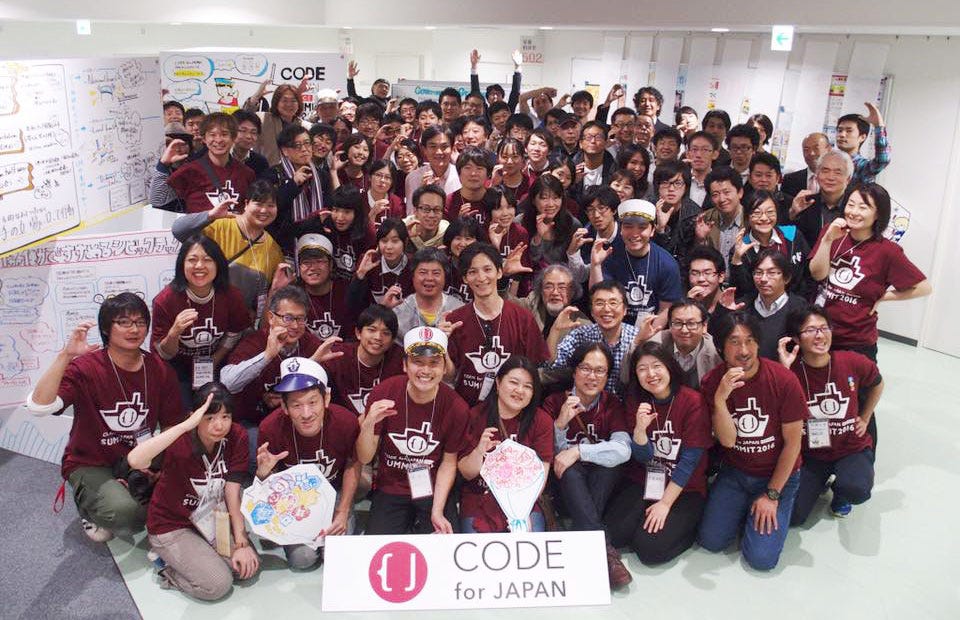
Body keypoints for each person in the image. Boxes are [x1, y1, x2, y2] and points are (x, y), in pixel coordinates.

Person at [25, 293, 183, 542]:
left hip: (137, 455)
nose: (134, 329)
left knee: (186, 482)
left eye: (140, 322)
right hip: (91, 460)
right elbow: (39, 407)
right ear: (107, 329)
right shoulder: (86, 367)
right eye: (124, 322)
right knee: (129, 515)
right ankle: (89, 507)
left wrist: (161, 469)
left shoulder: (159, 370)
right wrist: (65, 356)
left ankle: (131, 489)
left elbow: (173, 425)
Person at [809, 183, 931, 445]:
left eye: (863, 207)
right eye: (851, 204)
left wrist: (884, 296)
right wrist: (828, 239)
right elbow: (817, 273)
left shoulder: (887, 251)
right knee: (821, 398)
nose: (854, 211)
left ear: (879, 214)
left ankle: (861, 457)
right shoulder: (833, 233)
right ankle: (821, 456)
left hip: (856, 338)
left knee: (858, 402)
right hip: (822, 334)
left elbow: (923, 287)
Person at [698, 312, 805, 571]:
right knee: (711, 541)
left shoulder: (784, 380)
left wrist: (771, 495)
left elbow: (793, 445)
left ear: (758, 343)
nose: (743, 350)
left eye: (750, 341)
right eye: (734, 342)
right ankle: (742, 508)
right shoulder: (712, 381)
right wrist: (721, 399)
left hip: (777, 476)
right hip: (736, 472)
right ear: (721, 347)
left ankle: (761, 509)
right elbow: (727, 441)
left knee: (761, 559)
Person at [129, 384, 256, 600]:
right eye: (209, 418)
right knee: (218, 585)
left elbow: (232, 490)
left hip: (213, 518)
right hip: (172, 525)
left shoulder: (237, 436)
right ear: (195, 417)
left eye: (226, 416)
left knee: (244, 568)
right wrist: (184, 426)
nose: (219, 425)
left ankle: (199, 555)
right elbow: (135, 460)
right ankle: (166, 566)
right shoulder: (179, 440)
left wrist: (242, 542)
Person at [606, 341, 712, 565]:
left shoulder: (693, 402)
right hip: (646, 480)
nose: (651, 374)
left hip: (684, 488)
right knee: (614, 535)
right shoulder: (636, 400)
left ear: (669, 367)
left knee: (649, 550)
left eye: (656, 366)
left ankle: (692, 526)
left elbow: (690, 462)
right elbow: (642, 457)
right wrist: (640, 430)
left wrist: (665, 504)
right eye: (642, 369)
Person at [358, 326, 470, 534]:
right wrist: (368, 424)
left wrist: (437, 512)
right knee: (377, 546)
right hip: (391, 486)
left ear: (444, 367)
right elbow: (365, 458)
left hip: (432, 488)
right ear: (404, 365)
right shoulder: (385, 393)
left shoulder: (457, 407)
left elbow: (448, 463)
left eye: (434, 363)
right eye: (417, 362)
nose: (425, 371)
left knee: (443, 544)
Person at [778, 305, 883, 523]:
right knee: (794, 516)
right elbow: (778, 410)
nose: (819, 335)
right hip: (811, 453)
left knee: (857, 489)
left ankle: (840, 490)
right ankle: (819, 482)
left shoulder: (852, 361)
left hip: (849, 447)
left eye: (824, 328)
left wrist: (865, 417)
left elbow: (877, 384)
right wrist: (785, 372)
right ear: (797, 339)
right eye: (810, 330)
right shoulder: (792, 371)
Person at [541, 342, 633, 589]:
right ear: (574, 371)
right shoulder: (553, 402)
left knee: (608, 466)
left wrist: (579, 451)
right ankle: (604, 550)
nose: (592, 376)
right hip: (565, 489)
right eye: (585, 368)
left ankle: (586, 536)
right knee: (569, 471)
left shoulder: (611, 404)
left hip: (600, 487)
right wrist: (560, 424)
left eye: (600, 371)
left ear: (607, 375)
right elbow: (548, 455)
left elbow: (623, 449)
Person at [257, 357, 361, 568]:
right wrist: (264, 474)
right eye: (296, 405)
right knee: (302, 560)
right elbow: (269, 489)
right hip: (295, 500)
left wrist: (342, 512)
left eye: (313, 402)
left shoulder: (346, 422)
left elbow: (353, 464)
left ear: (326, 398)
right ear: (284, 407)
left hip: (334, 491)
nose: (306, 414)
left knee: (338, 555)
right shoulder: (269, 428)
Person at [151, 235, 251, 405]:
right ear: (181, 264)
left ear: (218, 264)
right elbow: (163, 353)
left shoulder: (231, 295)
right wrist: (174, 333)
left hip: (218, 361)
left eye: (207, 260)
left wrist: (214, 360)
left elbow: (235, 332)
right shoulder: (165, 300)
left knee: (219, 409)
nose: (199, 266)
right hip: (178, 368)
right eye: (192, 260)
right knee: (183, 414)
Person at [458, 356, 552, 532]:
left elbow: (542, 473)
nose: (519, 390)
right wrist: (479, 451)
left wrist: (519, 510)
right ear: (498, 383)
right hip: (479, 499)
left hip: (525, 502)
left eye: (527, 386)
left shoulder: (541, 420)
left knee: (529, 550)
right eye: (514, 382)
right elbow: (466, 473)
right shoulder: (475, 416)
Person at [446, 243, 548, 406]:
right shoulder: (455, 320)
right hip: (468, 409)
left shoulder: (523, 318)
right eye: (472, 272)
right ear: (465, 278)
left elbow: (534, 367)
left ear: (499, 272)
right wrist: (441, 341)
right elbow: (449, 377)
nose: (481, 278)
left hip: (513, 410)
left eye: (487, 269)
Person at [220, 286, 332, 430]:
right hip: (253, 422)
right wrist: (267, 356)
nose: (295, 325)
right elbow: (227, 382)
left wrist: (310, 364)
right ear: (271, 318)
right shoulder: (255, 342)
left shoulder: (311, 344)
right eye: (288, 318)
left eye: (300, 318)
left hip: (297, 421)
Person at [172, 179, 284, 318]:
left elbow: (263, 297)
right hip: (199, 313)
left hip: (238, 323)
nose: (264, 210)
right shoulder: (220, 225)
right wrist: (210, 215)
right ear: (246, 204)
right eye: (258, 203)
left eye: (270, 205)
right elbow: (178, 231)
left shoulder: (273, 248)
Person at [589, 199, 682, 325]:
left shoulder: (667, 264)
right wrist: (596, 265)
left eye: (642, 227)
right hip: (613, 325)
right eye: (628, 227)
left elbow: (665, 310)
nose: (635, 234)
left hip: (651, 330)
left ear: (652, 230)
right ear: (621, 229)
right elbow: (598, 297)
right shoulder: (609, 255)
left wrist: (645, 339)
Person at [552, 281, 639, 398]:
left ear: (625, 310)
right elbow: (553, 364)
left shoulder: (637, 336)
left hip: (624, 407)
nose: (606, 309)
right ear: (592, 312)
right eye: (599, 303)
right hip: (587, 404)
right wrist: (555, 330)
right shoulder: (580, 335)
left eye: (613, 303)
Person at [322, 304, 404, 417]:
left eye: (386, 333)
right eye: (372, 330)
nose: (378, 337)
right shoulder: (338, 356)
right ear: (358, 333)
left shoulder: (399, 359)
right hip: (345, 425)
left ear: (392, 340)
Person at [165, 112, 256, 214]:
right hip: (198, 229)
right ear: (204, 139)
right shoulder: (189, 170)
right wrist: (163, 165)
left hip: (233, 229)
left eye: (224, 134)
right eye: (212, 135)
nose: (218, 140)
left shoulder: (247, 174)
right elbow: (160, 200)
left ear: (233, 138)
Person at [729, 190, 812, 299]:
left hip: (795, 306)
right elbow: (741, 292)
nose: (764, 218)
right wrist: (737, 260)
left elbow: (808, 274)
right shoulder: (741, 248)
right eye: (757, 213)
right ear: (747, 217)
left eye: (770, 212)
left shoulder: (792, 235)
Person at [269, 123, 333, 253]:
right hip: (285, 245)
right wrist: (293, 184)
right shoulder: (273, 174)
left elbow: (329, 205)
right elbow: (271, 208)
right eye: (297, 146)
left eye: (307, 143)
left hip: (318, 241)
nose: (305, 149)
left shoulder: (322, 175)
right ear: (285, 150)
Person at [636, 299, 723, 390]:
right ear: (669, 326)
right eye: (677, 323)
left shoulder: (715, 352)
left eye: (691, 323)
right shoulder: (658, 343)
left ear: (704, 326)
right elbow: (627, 377)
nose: (684, 330)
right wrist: (638, 341)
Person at [744, 250, 808, 360]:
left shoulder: (800, 308)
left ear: (786, 278)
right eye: (758, 273)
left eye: (772, 273)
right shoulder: (743, 307)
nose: (763, 279)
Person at [789, 148, 853, 248]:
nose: (831, 177)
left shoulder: (855, 207)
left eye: (838, 172)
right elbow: (790, 240)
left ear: (848, 179)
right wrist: (792, 214)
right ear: (817, 175)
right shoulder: (806, 202)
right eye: (825, 171)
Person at [392, 247, 465, 335]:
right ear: (413, 276)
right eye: (423, 272)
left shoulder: (459, 309)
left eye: (436, 273)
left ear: (445, 276)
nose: (429, 278)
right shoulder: (398, 313)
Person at [350, 218, 413, 308]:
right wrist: (360, 274)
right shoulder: (369, 260)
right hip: (374, 319)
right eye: (384, 241)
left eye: (395, 241)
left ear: (405, 242)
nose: (389, 247)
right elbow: (352, 304)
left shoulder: (413, 265)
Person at [243, 82, 309, 166]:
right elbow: (243, 118)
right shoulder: (263, 119)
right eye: (284, 100)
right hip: (265, 173)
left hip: (296, 175)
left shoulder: (306, 126)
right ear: (276, 102)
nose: (289, 104)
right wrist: (255, 97)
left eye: (293, 101)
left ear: (299, 103)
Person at [524, 174, 581, 269]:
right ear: (533, 200)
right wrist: (538, 237)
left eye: (556, 198)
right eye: (544, 198)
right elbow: (529, 263)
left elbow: (576, 269)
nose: (551, 204)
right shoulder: (521, 223)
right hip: (529, 280)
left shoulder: (572, 225)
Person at [697, 166, 746, 274]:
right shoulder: (706, 219)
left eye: (727, 192)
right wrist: (700, 239)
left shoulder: (751, 219)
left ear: (740, 193)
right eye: (715, 195)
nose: (722, 199)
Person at [650, 161, 701, 261]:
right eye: (665, 183)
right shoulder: (648, 210)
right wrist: (660, 229)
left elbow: (687, 256)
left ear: (686, 187)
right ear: (657, 186)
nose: (671, 189)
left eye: (678, 183)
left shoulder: (694, 215)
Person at [404, 126, 461, 210]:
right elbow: (411, 215)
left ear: (452, 148)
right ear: (424, 150)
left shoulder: (460, 176)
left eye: (444, 147)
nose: (439, 152)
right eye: (433, 146)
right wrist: (422, 192)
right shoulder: (413, 178)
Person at [836, 103, 890, 185]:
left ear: (862, 137)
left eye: (849, 131)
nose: (842, 135)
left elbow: (882, 160)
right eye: (840, 130)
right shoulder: (830, 161)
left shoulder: (862, 166)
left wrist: (878, 126)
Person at [744, 151, 793, 224]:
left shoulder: (790, 204)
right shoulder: (742, 201)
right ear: (749, 178)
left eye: (769, 175)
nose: (763, 180)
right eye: (758, 175)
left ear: (777, 178)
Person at [572, 121, 617, 200]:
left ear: (606, 143)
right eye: (588, 138)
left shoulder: (615, 170)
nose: (593, 141)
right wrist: (572, 182)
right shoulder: (572, 168)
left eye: (598, 137)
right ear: (581, 144)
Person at [782, 133, 830, 197]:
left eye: (816, 148)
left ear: (828, 149)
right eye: (806, 149)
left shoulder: (837, 180)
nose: (811, 153)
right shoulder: (790, 180)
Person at [404, 184, 450, 251]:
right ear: (415, 210)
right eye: (426, 209)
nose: (431, 215)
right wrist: (403, 238)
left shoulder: (447, 232)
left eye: (437, 209)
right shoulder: (403, 228)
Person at [230, 109, 271, 179]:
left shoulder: (261, 163)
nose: (248, 136)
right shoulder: (219, 156)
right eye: (243, 131)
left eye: (253, 132)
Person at [685, 131, 720, 207]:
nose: (698, 155)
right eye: (694, 149)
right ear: (687, 154)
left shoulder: (720, 182)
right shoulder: (681, 180)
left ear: (715, 154)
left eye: (705, 150)